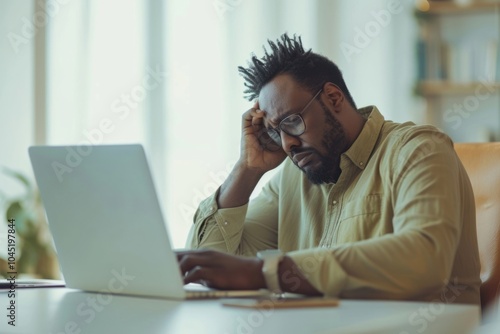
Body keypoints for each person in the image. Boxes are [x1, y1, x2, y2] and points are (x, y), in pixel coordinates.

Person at [176, 33, 481, 304]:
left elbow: (424, 258)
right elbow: (206, 265)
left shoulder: (418, 150)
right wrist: (247, 169)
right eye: (274, 132)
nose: (286, 145)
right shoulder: (293, 180)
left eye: (292, 122)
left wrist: (267, 272)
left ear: (333, 98)